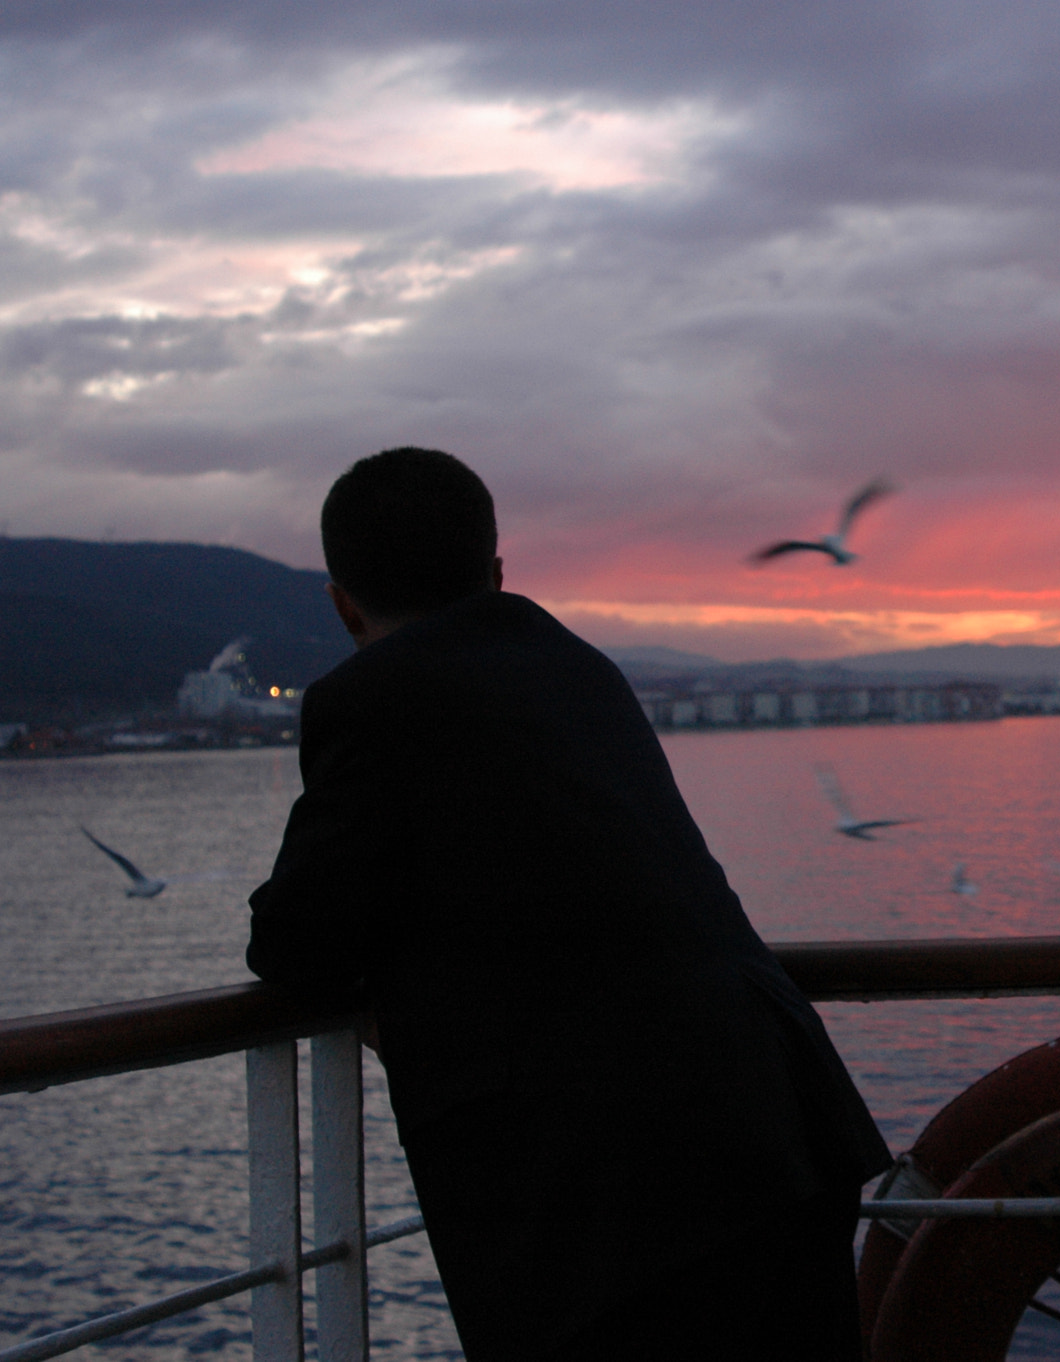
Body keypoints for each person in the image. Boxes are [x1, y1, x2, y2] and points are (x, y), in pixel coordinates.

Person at [247, 447, 890, 1359]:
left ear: (341, 601)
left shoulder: (374, 696)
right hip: (776, 1134)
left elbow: (296, 942)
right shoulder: (581, 667)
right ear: (497, 573)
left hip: (610, 1205)